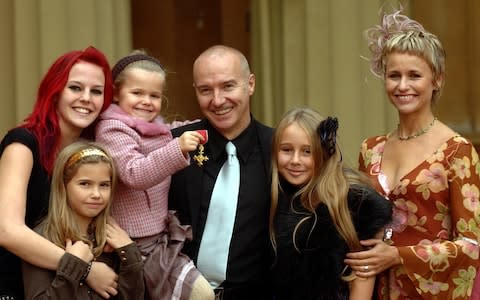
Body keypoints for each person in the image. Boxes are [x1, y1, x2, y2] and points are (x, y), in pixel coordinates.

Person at [343, 9, 480, 299]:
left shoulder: (458, 150)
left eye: (414, 75)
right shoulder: (370, 150)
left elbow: (471, 245)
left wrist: (398, 255)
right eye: (394, 75)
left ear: (437, 80)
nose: (402, 86)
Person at [0, 46, 118, 299]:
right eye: (75, 87)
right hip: (9, 285)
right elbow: (6, 231)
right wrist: (84, 269)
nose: (87, 98)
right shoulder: (22, 144)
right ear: (54, 93)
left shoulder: (92, 153)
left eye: (96, 91)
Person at [95, 50, 214, 300]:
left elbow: (171, 131)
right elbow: (134, 172)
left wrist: (205, 125)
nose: (146, 101)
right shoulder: (112, 129)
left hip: (160, 238)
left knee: (201, 293)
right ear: (116, 93)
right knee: (199, 293)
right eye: (137, 93)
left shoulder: (155, 128)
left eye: (154, 95)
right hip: (130, 244)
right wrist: (177, 147)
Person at [168, 45, 274, 299]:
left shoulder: (278, 150)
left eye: (228, 86)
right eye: (206, 90)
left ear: (250, 84)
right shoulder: (173, 146)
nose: (217, 100)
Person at [269, 107, 392, 300]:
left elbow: (362, 277)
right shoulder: (275, 197)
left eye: (307, 152)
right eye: (286, 150)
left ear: (324, 153)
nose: (295, 160)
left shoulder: (354, 203)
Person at [22, 141, 144, 299]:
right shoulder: (42, 238)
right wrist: (74, 266)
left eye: (104, 185)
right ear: (63, 186)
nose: (96, 194)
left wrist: (129, 253)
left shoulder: (113, 239)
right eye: (85, 184)